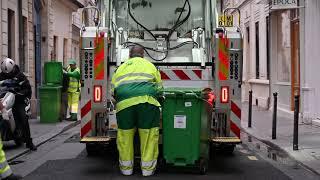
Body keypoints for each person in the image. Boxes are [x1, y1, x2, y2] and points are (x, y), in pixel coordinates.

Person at [111, 46, 162, 176]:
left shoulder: (120, 68)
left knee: (125, 137)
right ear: (143, 55)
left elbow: (113, 91)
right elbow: (159, 89)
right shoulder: (150, 66)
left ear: (129, 55)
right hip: (147, 103)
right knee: (148, 136)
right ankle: (147, 170)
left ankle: (126, 170)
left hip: (124, 105)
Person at [0, 58, 37, 151]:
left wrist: (20, 93)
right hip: (4, 99)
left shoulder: (20, 76)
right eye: (5, 73)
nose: (7, 75)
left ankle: (29, 142)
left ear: (13, 68)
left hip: (17, 100)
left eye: (9, 73)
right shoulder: (1, 76)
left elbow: (27, 88)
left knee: (23, 118)